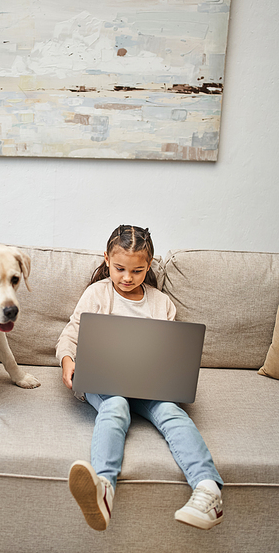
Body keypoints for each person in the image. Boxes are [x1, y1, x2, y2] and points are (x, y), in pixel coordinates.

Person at [56, 224, 223, 532]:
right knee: (115, 405)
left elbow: (171, 354)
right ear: (107, 259)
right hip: (102, 381)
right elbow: (70, 336)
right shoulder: (97, 294)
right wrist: (68, 361)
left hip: (148, 385)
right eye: (120, 268)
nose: (127, 278)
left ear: (149, 266)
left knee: (173, 413)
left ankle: (208, 489)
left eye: (137, 271)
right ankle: (103, 488)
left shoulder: (161, 303)